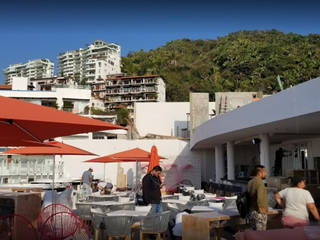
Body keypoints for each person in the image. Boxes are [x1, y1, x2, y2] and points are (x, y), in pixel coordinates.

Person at [247, 165, 268, 231]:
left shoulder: (250, 182)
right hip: (259, 212)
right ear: (259, 172)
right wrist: (261, 210)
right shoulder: (260, 183)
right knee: (261, 235)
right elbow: (260, 198)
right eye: (264, 171)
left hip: (251, 211)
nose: (266, 173)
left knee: (254, 235)